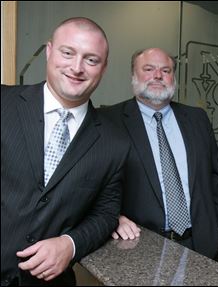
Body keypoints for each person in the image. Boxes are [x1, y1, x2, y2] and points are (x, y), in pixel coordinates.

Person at [1, 17, 130, 286]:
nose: (77, 67)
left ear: (103, 68)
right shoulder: (4, 103)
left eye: (91, 60)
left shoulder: (115, 142)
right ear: (49, 51)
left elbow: (105, 214)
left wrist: (70, 244)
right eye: (68, 52)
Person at [102, 48, 218, 261]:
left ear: (173, 77)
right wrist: (115, 217)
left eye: (166, 70)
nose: (158, 76)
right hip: (140, 247)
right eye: (148, 69)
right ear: (134, 76)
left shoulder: (197, 119)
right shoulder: (108, 121)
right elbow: (93, 184)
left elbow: (216, 179)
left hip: (200, 245)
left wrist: (214, 227)